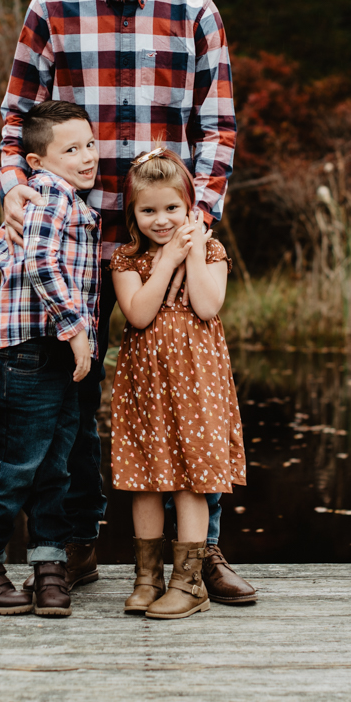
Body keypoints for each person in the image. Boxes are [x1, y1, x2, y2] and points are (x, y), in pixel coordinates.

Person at [0, 0, 255, 605]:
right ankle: (77, 543)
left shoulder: (194, 12)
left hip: (163, 236)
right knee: (71, 397)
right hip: (75, 240)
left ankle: (201, 553)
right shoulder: (52, 8)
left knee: (190, 388)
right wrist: (15, 187)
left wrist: (194, 223)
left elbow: (218, 126)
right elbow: (17, 117)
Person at [0, 100, 101, 618]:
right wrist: (76, 329)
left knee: (56, 468)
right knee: (16, 467)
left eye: (90, 144)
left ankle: (48, 564)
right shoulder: (49, 195)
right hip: (29, 352)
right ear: (36, 161)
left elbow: (15, 255)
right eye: (71, 149)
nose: (87, 156)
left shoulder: (64, 200)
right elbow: (40, 262)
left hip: (51, 353)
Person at [110, 148, 245, 619]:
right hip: (146, 387)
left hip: (197, 385)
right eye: (148, 210)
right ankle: (147, 578)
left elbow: (207, 306)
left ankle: (189, 583)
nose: (161, 219)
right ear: (133, 214)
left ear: (190, 207)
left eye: (172, 208)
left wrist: (190, 256)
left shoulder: (211, 251)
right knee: (144, 479)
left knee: (193, 480)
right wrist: (166, 261)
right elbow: (139, 314)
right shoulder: (126, 260)